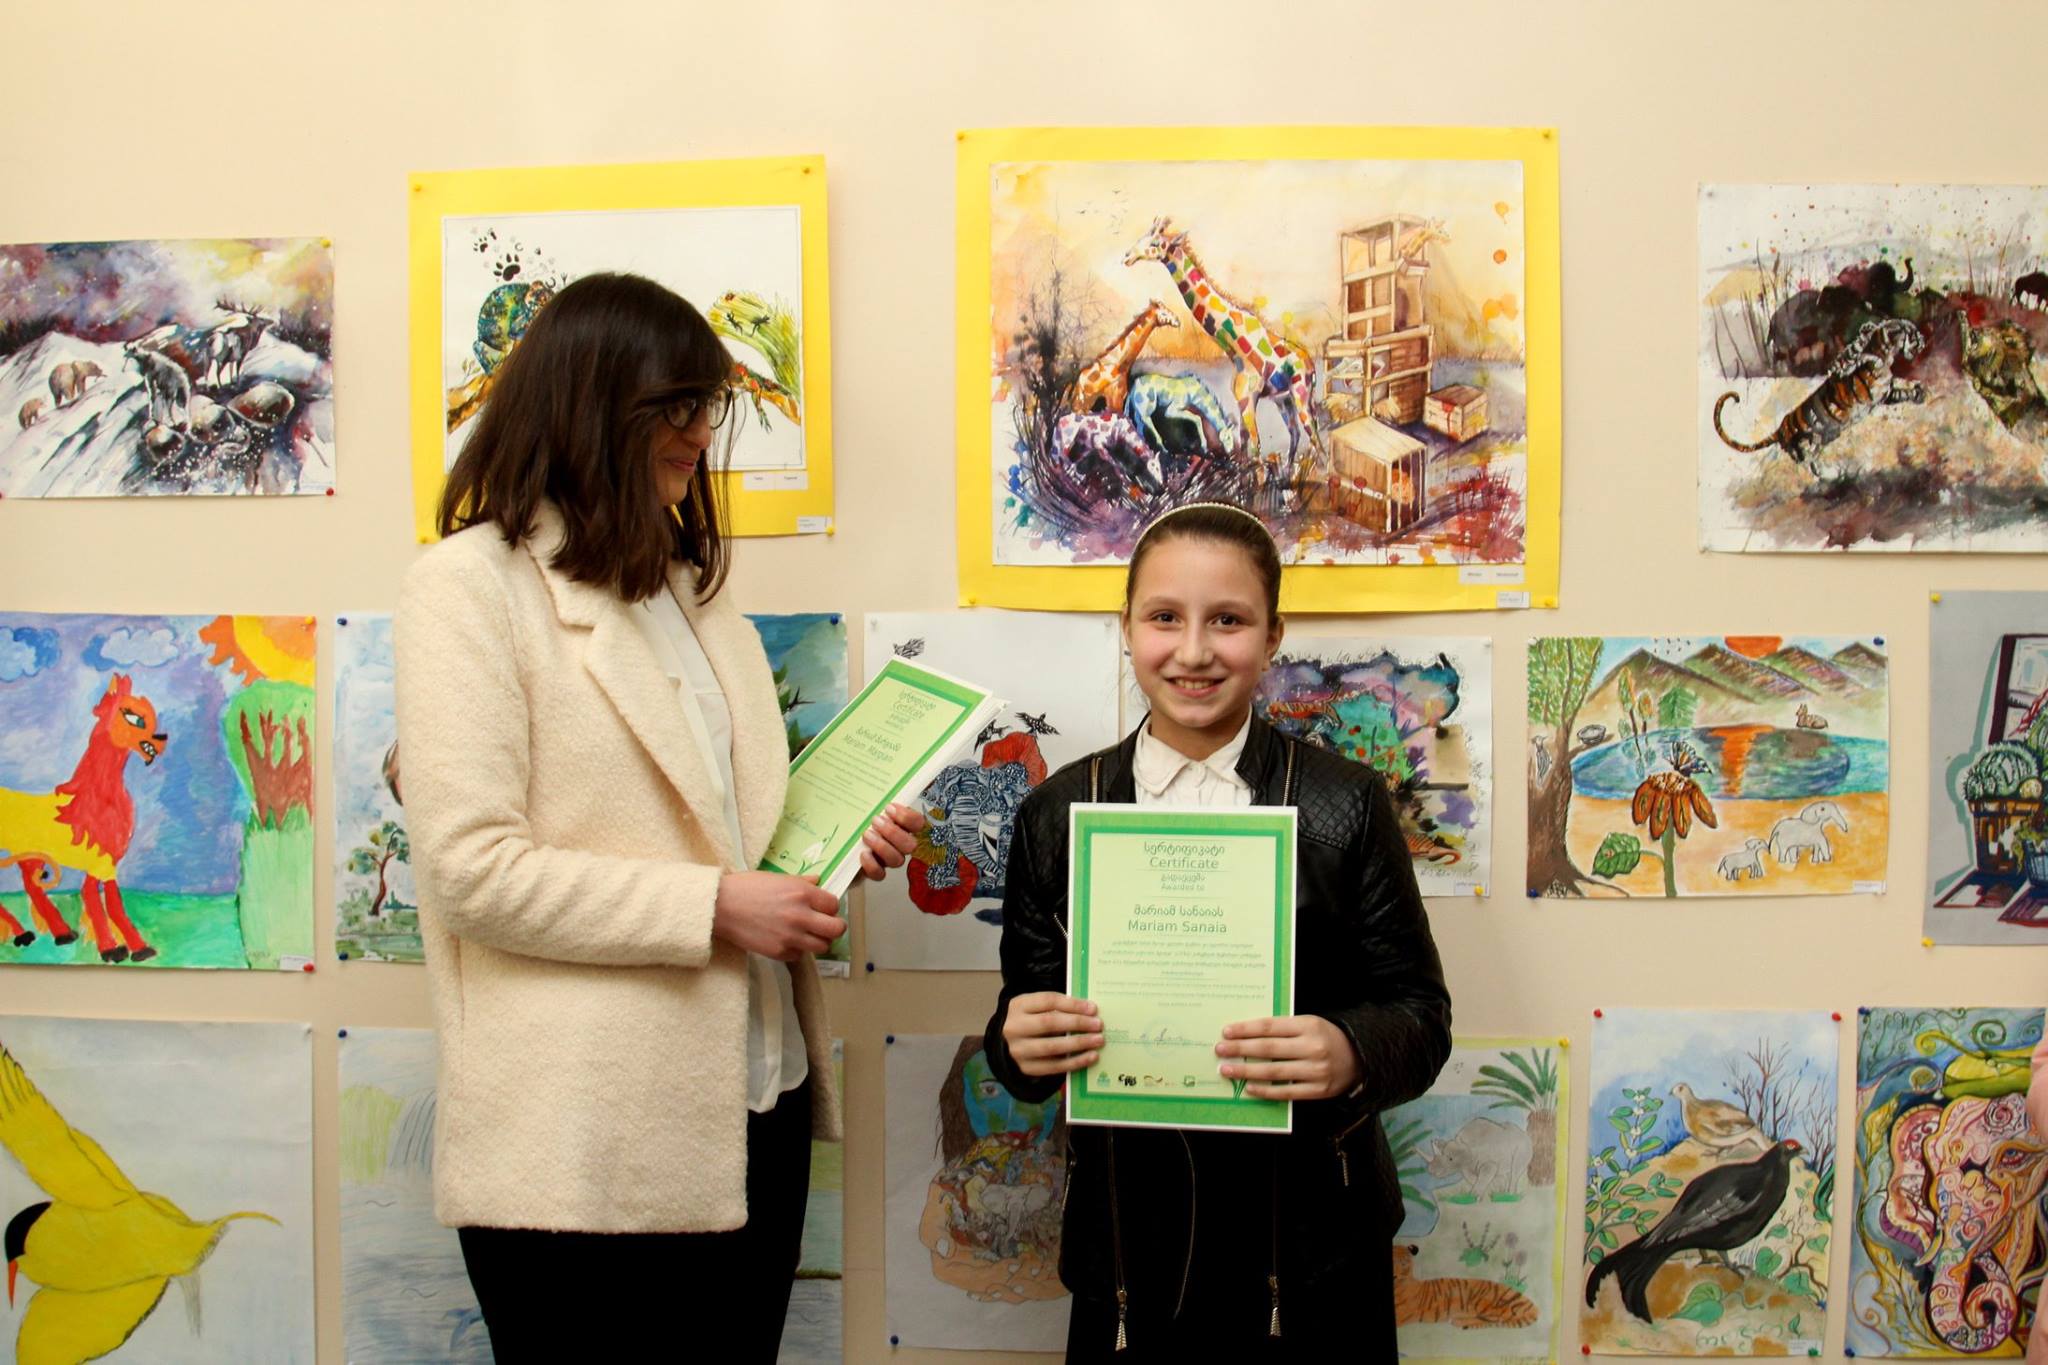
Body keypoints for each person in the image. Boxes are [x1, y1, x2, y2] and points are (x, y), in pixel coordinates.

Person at [394, 272, 922, 1362]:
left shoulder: (688, 590)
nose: (700, 433)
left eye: (706, 404)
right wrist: (719, 907)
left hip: (756, 1103)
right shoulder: (466, 586)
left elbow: (723, 832)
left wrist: (837, 844)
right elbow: (471, 871)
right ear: (589, 404)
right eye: (675, 406)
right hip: (581, 1140)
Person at [982, 501, 1453, 1359]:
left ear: (1273, 637)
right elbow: (1022, 1031)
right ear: (1126, 628)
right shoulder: (1058, 811)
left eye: (1228, 620)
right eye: (1164, 617)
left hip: (1310, 1248)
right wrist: (1019, 1042)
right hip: (1130, 1245)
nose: (1193, 650)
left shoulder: (1346, 804)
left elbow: (1421, 1018)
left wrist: (1348, 1049)